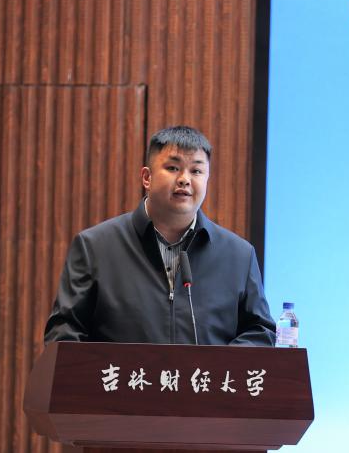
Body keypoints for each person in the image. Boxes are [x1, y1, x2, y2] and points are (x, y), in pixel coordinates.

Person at [43, 126, 275, 346]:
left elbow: (260, 332)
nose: (184, 179)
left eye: (196, 171)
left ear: (207, 179)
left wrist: (219, 367)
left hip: (205, 377)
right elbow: (64, 332)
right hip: (125, 376)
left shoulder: (239, 255)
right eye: (173, 168)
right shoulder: (95, 247)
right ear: (147, 177)